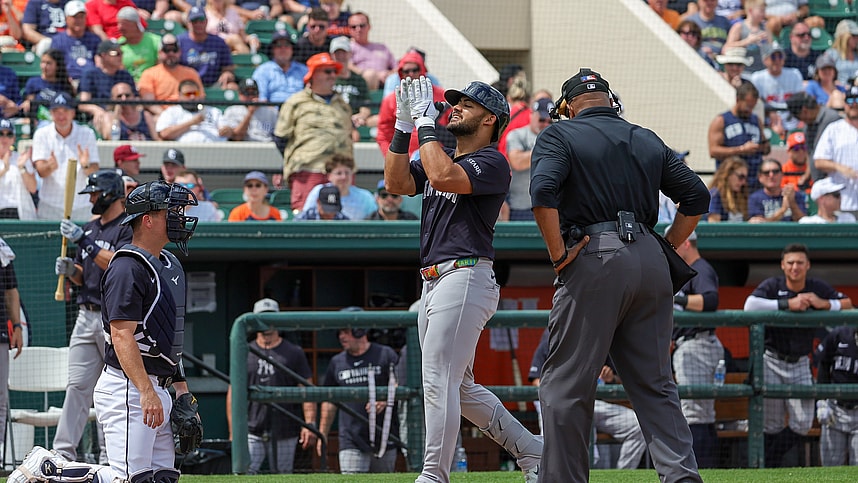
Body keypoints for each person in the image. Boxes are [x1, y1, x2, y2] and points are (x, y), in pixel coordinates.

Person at [530, 68, 708, 482]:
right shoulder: (644, 136)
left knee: (564, 387)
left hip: (595, 255)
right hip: (650, 257)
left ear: (568, 106)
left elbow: (542, 195)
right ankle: (682, 478)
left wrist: (559, 256)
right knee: (656, 387)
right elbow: (697, 196)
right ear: (612, 101)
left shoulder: (559, 134)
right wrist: (665, 246)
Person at [385, 77, 542, 483]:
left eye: (466, 105)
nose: (454, 108)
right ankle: (535, 452)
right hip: (435, 280)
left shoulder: (493, 161)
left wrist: (424, 120)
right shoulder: (443, 153)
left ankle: (434, 475)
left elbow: (442, 178)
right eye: (454, 103)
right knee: (460, 387)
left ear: (490, 118)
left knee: (438, 378)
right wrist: (403, 127)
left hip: (465, 273)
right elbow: (397, 183)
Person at [744, 243, 853, 468]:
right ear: (783, 265)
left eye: (800, 263)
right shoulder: (773, 285)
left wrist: (822, 303)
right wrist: (787, 304)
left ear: (808, 265)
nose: (795, 267)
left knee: (803, 422)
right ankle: (764, 469)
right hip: (772, 359)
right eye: (791, 263)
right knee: (771, 424)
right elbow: (750, 306)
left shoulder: (816, 286)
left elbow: (847, 303)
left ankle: (770, 462)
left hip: (801, 361)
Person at [52, 169, 132, 465]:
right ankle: (62, 454)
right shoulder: (90, 228)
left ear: (111, 192)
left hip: (115, 321)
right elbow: (83, 275)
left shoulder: (127, 227)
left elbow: (119, 263)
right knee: (77, 387)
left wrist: (84, 241)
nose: (93, 199)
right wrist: (70, 271)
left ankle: (111, 458)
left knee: (111, 391)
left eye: (96, 193)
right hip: (86, 316)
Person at [528, 329, 646, 470]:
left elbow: (621, 380)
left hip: (596, 404)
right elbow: (536, 380)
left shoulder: (600, 337)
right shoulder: (554, 335)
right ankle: (546, 473)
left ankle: (622, 474)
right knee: (552, 442)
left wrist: (611, 378)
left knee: (637, 426)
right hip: (559, 402)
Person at [225, 298, 317, 474]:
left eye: (270, 318)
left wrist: (309, 422)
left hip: (285, 430)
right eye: (262, 318)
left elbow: (306, 389)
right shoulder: (244, 351)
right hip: (252, 430)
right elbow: (233, 393)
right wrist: (234, 430)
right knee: (243, 474)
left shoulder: (293, 352)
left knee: (282, 476)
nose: (266, 323)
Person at [669, 229, 722, 469]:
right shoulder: (690, 270)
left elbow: (710, 301)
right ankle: (706, 465)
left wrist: (675, 300)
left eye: (675, 245)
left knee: (695, 412)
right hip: (691, 346)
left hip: (698, 346)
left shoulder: (700, 268)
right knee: (699, 411)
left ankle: (702, 466)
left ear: (687, 244)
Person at [273, 52, 352, 212]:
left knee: (343, 217)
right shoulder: (295, 102)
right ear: (313, 75)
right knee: (306, 217)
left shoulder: (342, 104)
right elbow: (280, 138)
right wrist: (297, 158)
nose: (332, 75)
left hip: (341, 174)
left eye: (334, 71)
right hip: (308, 170)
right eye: (327, 71)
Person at [317, 327, 399, 474]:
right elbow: (329, 401)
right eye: (339, 333)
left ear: (359, 331)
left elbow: (400, 382)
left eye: (346, 332)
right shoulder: (337, 361)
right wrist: (322, 434)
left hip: (385, 436)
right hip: (351, 438)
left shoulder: (385, 354)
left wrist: (385, 399)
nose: (342, 337)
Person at [32, 92, 100, 221]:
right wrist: (49, 166)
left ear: (73, 113)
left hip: (81, 206)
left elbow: (94, 172)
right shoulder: (41, 134)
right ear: (51, 113)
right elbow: (41, 171)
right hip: (50, 206)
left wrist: (86, 165)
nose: (61, 115)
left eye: (65, 110)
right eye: (56, 110)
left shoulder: (87, 133)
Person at [376, 49, 449, 158]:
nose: (411, 74)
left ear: (423, 70)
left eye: (415, 70)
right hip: (405, 159)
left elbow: (452, 127)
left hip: (438, 155)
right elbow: (383, 135)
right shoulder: (391, 100)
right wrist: (393, 159)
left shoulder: (441, 95)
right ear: (401, 73)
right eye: (406, 71)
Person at [708, 81, 769, 189]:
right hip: (730, 182)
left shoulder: (756, 120)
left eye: (752, 107)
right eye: (747, 106)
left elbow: (766, 148)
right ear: (738, 100)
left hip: (754, 181)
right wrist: (741, 150)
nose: (750, 110)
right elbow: (713, 151)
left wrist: (763, 146)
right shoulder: (722, 120)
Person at [816, 324, 858, 467]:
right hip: (835, 409)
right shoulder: (839, 334)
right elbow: (823, 366)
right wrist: (821, 402)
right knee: (831, 468)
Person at [505, 98, 553, 221]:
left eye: (550, 121)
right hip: (521, 207)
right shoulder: (517, 135)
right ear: (531, 114)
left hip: (550, 207)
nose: (546, 124)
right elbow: (517, 162)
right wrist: (547, 150)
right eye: (542, 120)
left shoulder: (556, 137)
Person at [814, 85, 858, 217]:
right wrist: (840, 167)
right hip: (842, 202)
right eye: (850, 101)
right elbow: (819, 162)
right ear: (844, 104)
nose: (854, 104)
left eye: (857, 100)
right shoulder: (834, 129)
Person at [137, 34, 205, 117]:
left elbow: (200, 97)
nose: (171, 53)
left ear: (180, 52)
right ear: (159, 52)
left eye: (174, 50)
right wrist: (167, 116)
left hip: (188, 114)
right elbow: (149, 103)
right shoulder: (149, 74)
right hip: (161, 115)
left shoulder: (191, 73)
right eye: (166, 50)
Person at [0, 235, 24, 461]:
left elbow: (11, 290)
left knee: (0, 398)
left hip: (0, 334)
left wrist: (16, 325)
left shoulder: (1, 246)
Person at [78, 40, 137, 129]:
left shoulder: (125, 75)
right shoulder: (90, 74)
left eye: (121, 53)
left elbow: (136, 99)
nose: (120, 56)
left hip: (126, 116)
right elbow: (83, 103)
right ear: (103, 55)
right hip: (101, 117)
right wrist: (96, 110)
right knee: (108, 118)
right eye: (115, 53)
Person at [750, 42, 804, 139]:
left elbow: (800, 99)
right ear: (765, 60)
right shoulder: (757, 78)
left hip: (791, 118)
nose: (777, 60)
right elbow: (756, 102)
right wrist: (770, 112)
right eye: (773, 57)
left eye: (780, 57)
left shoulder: (794, 74)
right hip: (767, 121)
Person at [299, 154, 376, 221]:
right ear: (329, 176)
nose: (344, 177)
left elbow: (375, 218)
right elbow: (306, 216)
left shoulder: (365, 196)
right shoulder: (318, 191)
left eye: (347, 173)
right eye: (339, 173)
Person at [786, 91, 842, 181]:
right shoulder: (807, 126)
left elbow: (840, 154)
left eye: (798, 117)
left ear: (804, 111)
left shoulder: (832, 120)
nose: (800, 120)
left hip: (834, 182)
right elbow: (811, 154)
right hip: (819, 183)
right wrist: (807, 175)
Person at [178, 6, 235, 88]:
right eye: (194, 21)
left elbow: (228, 67)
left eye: (201, 20)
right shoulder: (180, 41)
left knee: (232, 87)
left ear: (206, 21)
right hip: (188, 85)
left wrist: (227, 74)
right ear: (188, 23)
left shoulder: (218, 42)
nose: (198, 24)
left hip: (213, 83)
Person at [155, 80, 228, 143]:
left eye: (195, 93)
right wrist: (192, 122)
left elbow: (227, 130)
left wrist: (227, 131)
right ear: (180, 96)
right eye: (188, 94)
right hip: (184, 151)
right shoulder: (172, 112)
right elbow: (164, 134)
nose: (192, 97)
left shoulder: (214, 111)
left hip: (215, 150)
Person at [330, 36, 375, 133]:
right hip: (332, 120)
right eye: (337, 53)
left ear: (350, 54)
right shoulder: (327, 78)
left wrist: (361, 116)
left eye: (344, 52)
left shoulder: (359, 80)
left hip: (354, 122)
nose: (340, 56)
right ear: (332, 55)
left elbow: (365, 106)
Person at [48, 1, 100, 82]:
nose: (79, 20)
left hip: (92, 82)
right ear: (66, 18)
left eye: (81, 16)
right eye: (75, 17)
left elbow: (100, 64)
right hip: (68, 82)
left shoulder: (95, 40)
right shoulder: (58, 41)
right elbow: (55, 67)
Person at [252, 30, 307, 104]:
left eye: (287, 45)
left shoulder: (303, 70)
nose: (283, 49)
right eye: (278, 45)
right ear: (272, 50)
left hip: (299, 111)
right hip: (273, 112)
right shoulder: (263, 71)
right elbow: (261, 99)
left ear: (292, 49)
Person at [20, 49, 76, 118]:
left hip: (60, 120)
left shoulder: (64, 84)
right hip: (38, 121)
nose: (44, 66)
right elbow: (29, 104)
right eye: (42, 62)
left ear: (58, 65)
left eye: (48, 63)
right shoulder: (33, 82)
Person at [347, 11, 395, 90]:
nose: (358, 29)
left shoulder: (382, 47)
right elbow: (348, 66)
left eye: (362, 26)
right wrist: (374, 75)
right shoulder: (348, 47)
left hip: (386, 84)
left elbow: (396, 68)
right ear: (349, 29)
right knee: (370, 75)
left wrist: (388, 74)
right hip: (361, 86)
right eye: (354, 27)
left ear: (369, 27)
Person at [220, 78, 277, 142]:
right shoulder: (232, 111)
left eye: (254, 92)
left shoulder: (271, 112)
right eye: (246, 93)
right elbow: (237, 137)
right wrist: (250, 113)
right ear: (239, 94)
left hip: (267, 147)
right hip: (244, 147)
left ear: (258, 94)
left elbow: (280, 136)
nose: (251, 96)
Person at [0, 119, 36, 220]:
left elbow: (33, 188)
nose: (4, 138)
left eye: (9, 134)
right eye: (1, 133)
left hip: (19, 212)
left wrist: (21, 168)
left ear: (14, 139)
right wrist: (4, 169)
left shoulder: (21, 158)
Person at [117, 6, 162, 83]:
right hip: (129, 85)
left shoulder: (155, 41)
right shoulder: (119, 45)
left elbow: (161, 68)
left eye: (123, 24)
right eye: (118, 23)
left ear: (134, 24)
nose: (119, 28)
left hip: (153, 83)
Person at [722, 0, 769, 73]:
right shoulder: (739, 27)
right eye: (761, 11)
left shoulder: (765, 28)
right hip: (744, 72)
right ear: (750, 10)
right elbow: (726, 48)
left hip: (762, 71)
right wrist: (747, 41)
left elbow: (770, 49)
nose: (764, 14)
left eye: (764, 11)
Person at [686, 0, 732, 65]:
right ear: (699, 2)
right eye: (706, 0)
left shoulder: (724, 22)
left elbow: (730, 42)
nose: (709, 3)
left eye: (712, 0)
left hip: (721, 61)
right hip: (698, 60)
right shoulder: (690, 22)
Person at [707, 155, 749, 222]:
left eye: (745, 178)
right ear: (728, 174)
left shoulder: (739, 195)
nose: (744, 182)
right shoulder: (715, 195)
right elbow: (713, 226)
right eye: (741, 177)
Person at [823, 19, 858, 85]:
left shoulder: (856, 54)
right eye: (853, 36)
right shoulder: (831, 54)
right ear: (843, 36)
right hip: (838, 91)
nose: (856, 39)